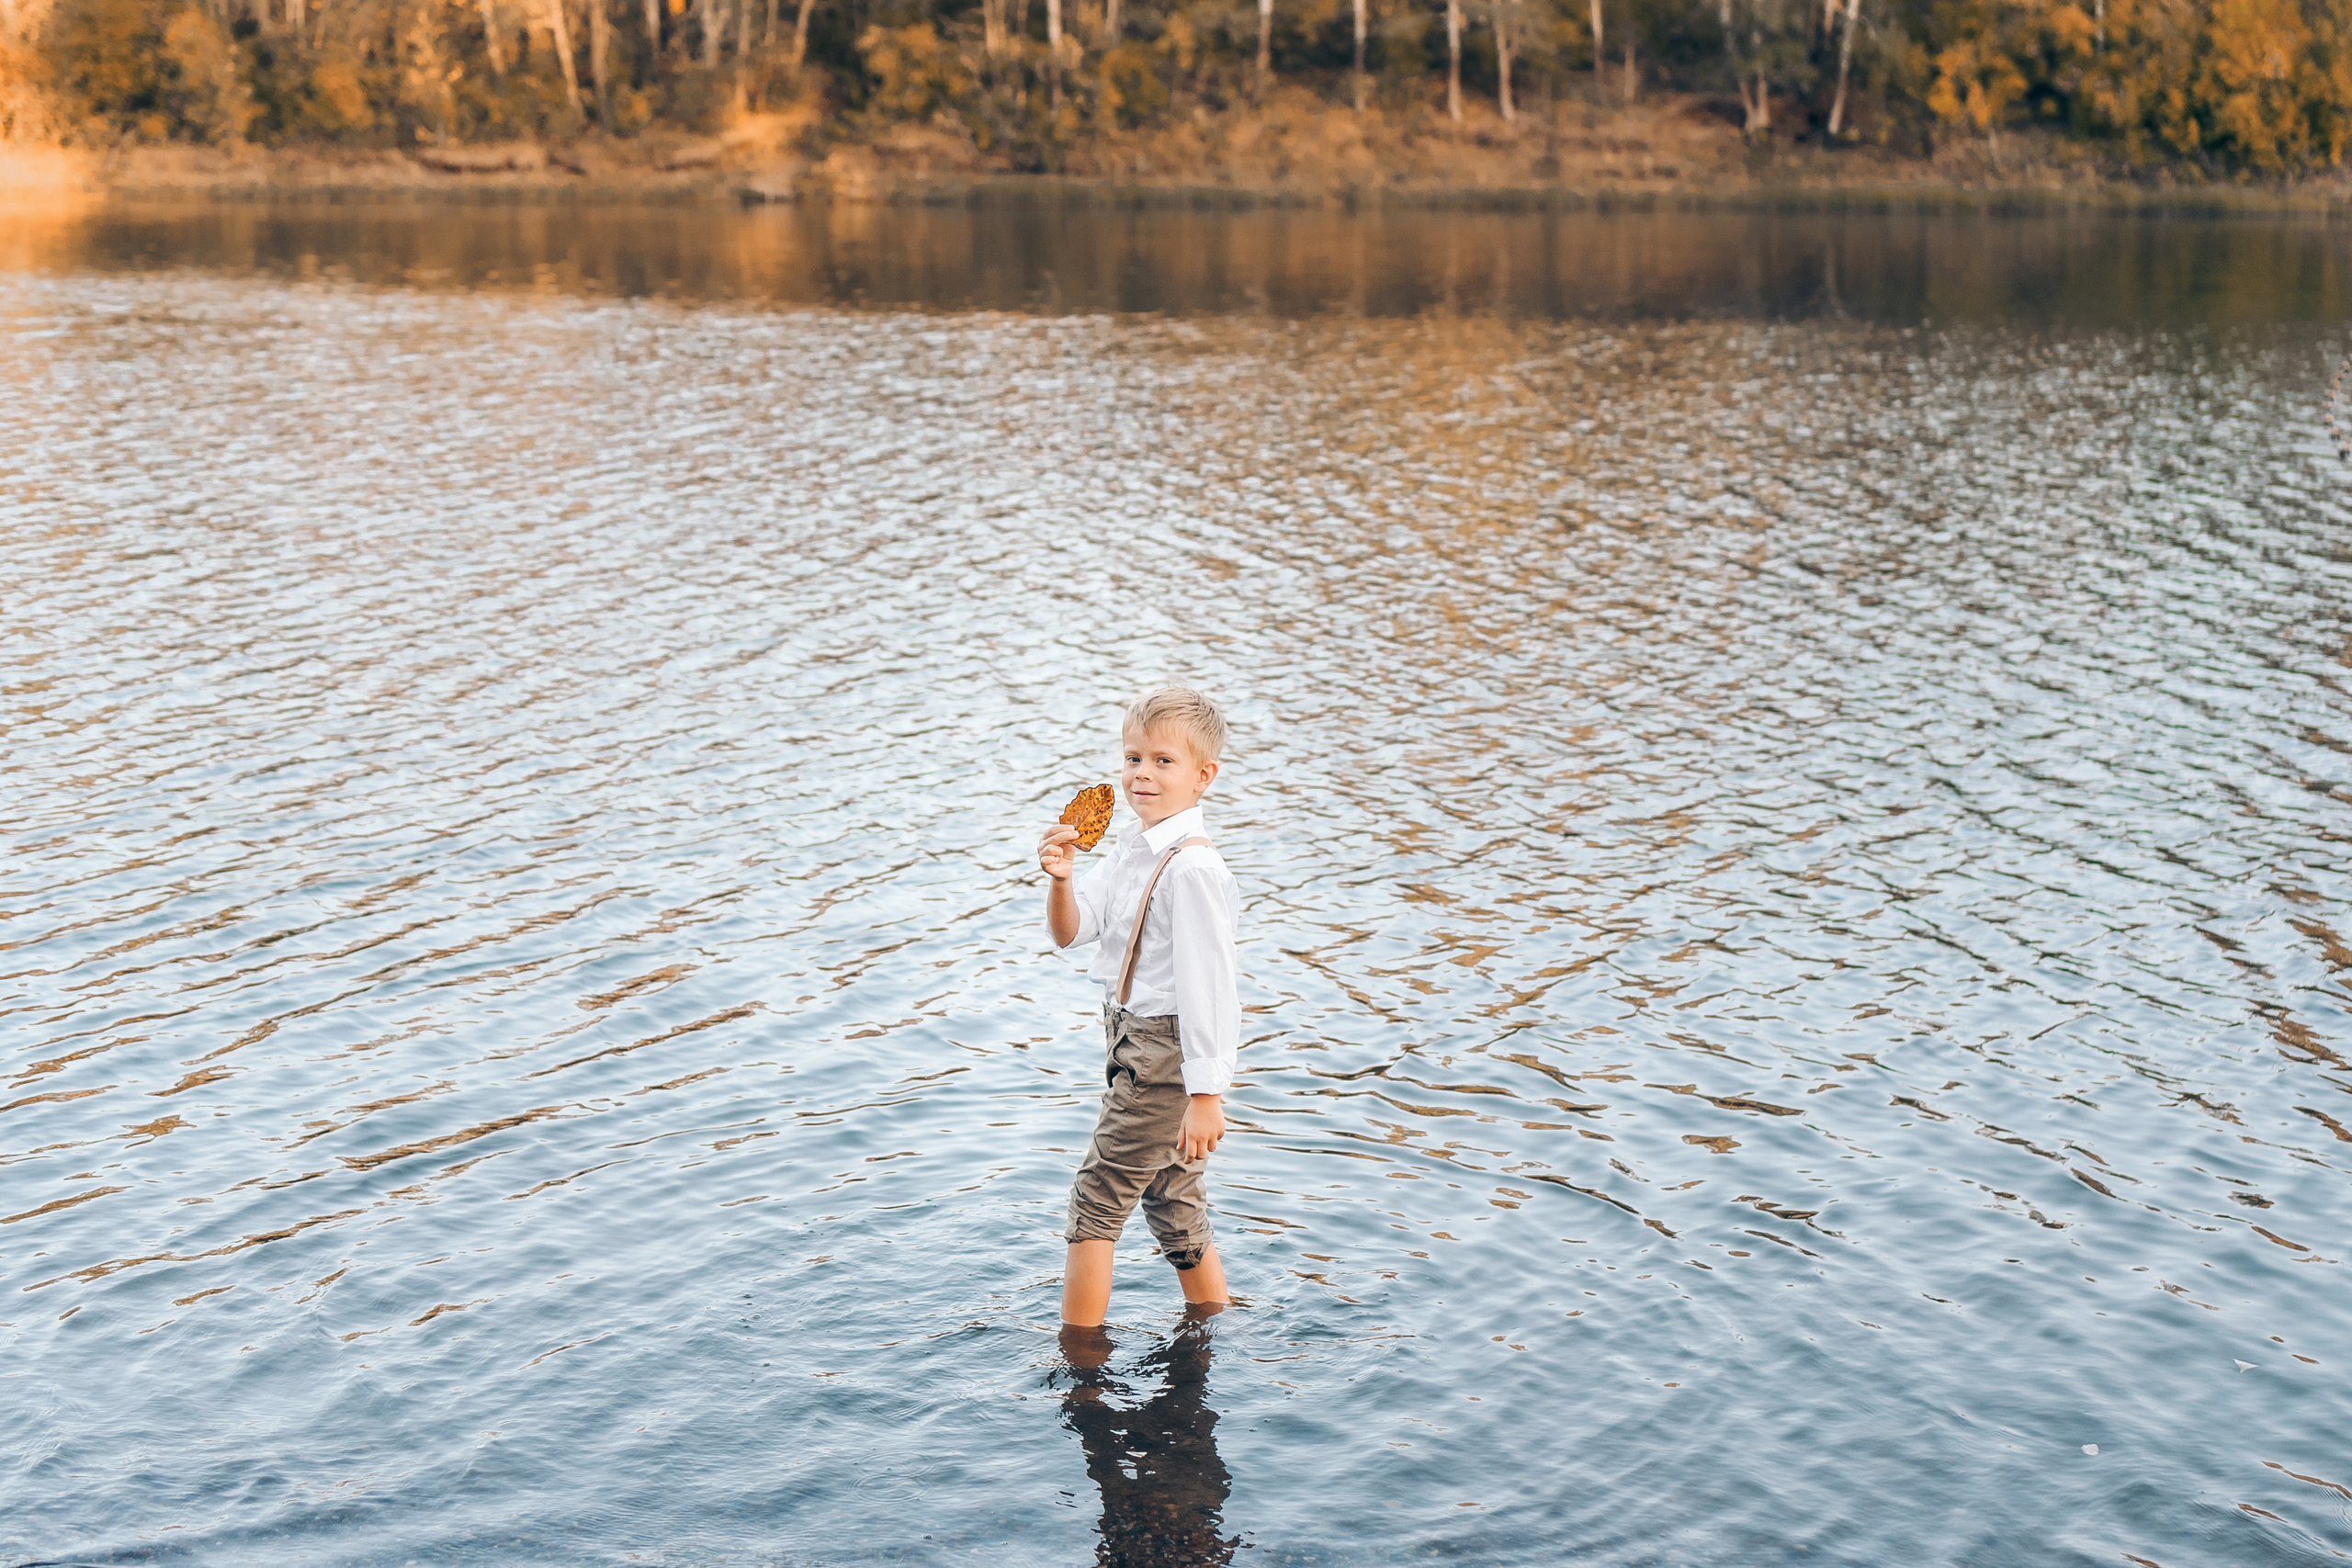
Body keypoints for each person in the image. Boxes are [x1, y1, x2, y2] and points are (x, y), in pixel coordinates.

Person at [1037, 685, 1240, 1327]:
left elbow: (1209, 983)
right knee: (1168, 1192)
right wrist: (1063, 880)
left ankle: (1080, 1359)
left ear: (1204, 777)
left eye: (1163, 761)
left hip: (1167, 1048)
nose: (1141, 774)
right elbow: (1074, 932)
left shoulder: (1192, 869)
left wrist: (1207, 1093)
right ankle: (1214, 1316)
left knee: (1097, 1195)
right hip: (1129, 1036)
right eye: (1132, 758)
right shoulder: (1131, 845)